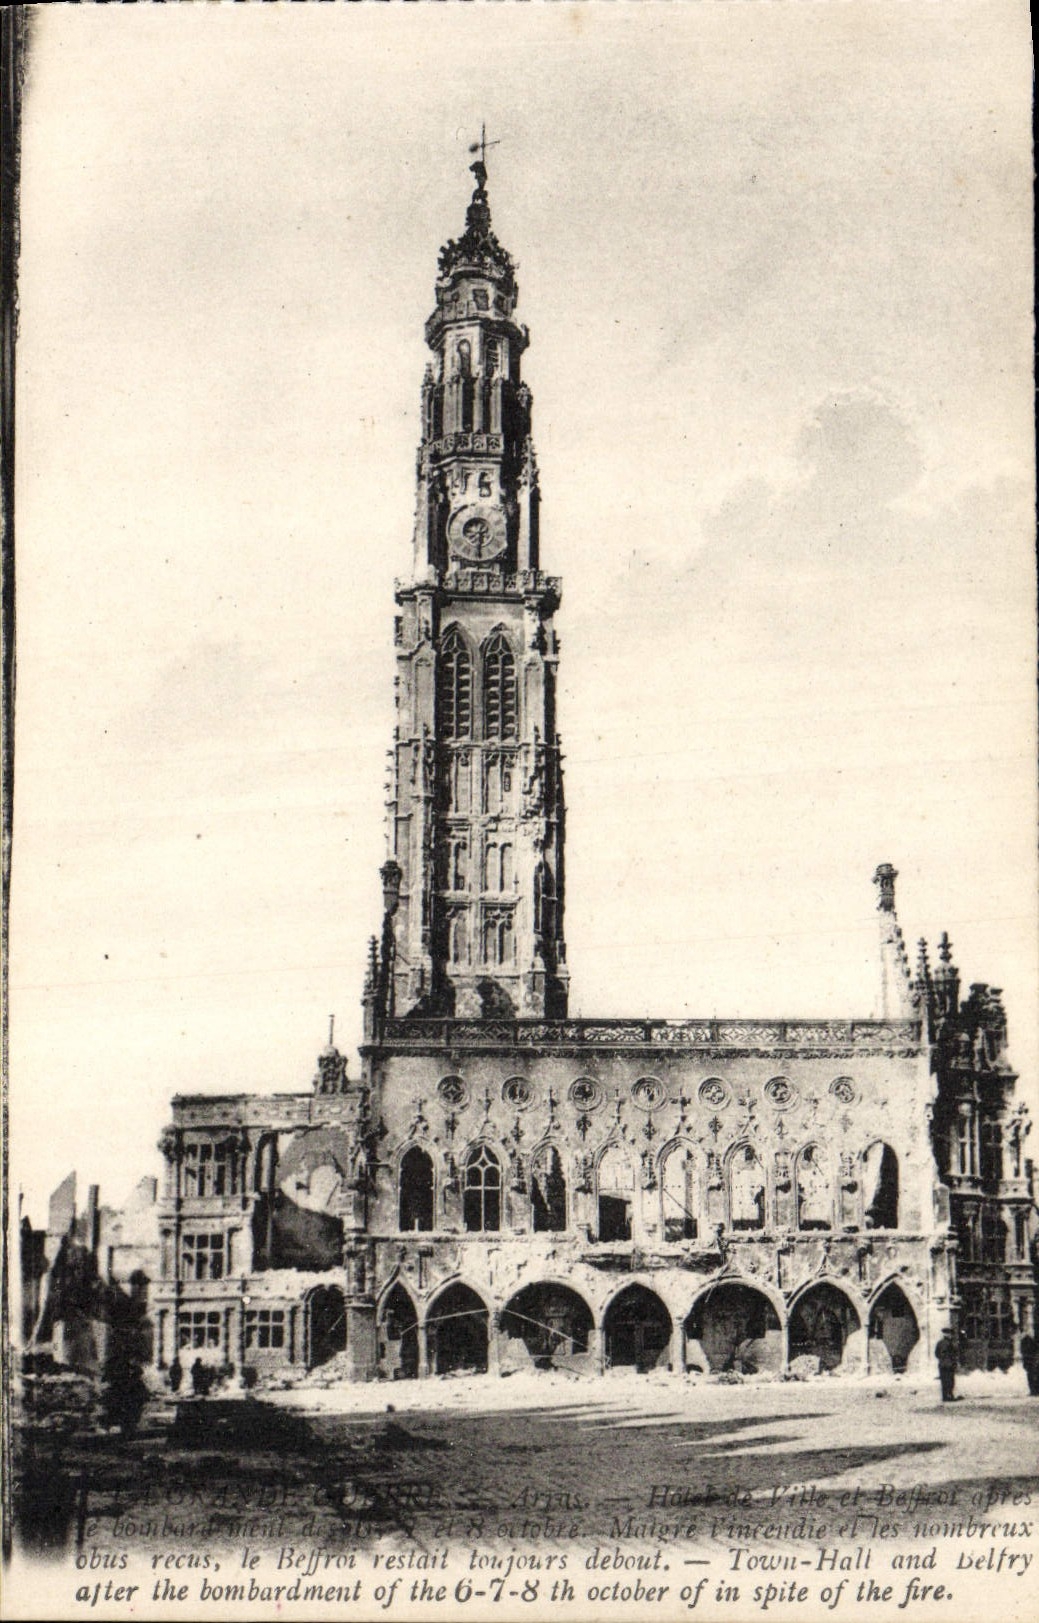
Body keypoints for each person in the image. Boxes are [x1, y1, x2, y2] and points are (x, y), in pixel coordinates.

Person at [934, 1327, 957, 1401]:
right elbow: (953, 1354)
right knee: (950, 1381)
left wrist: (941, 1359)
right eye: (951, 1334)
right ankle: (950, 1396)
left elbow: (936, 1354)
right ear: (948, 1334)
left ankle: (944, 1396)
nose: (951, 1335)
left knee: (944, 1381)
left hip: (942, 1365)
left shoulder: (939, 1343)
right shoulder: (950, 1343)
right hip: (949, 1365)